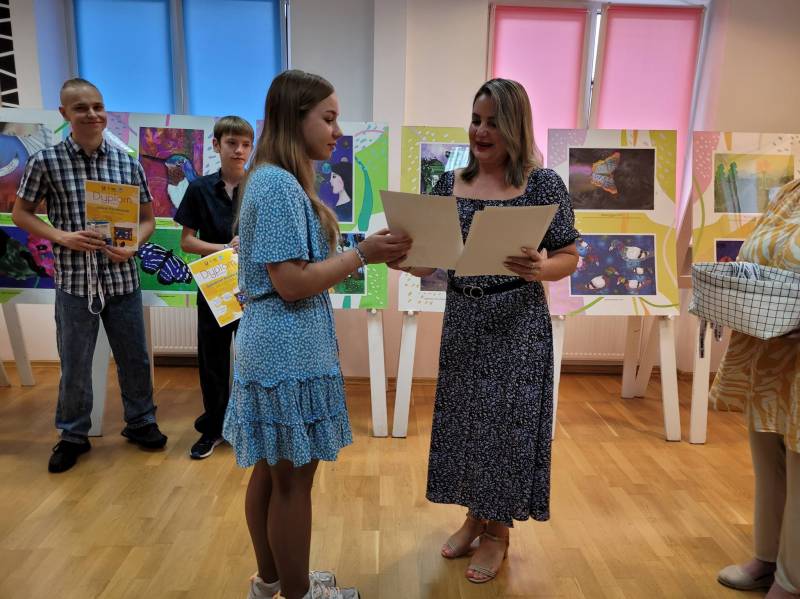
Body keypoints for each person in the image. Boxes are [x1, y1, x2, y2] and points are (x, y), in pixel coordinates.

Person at [222, 70, 410, 599]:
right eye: (328, 118)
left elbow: (298, 268)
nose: (337, 130)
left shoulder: (272, 180)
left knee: (273, 473)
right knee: (291, 482)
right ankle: (299, 593)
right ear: (294, 118)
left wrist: (368, 252)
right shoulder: (278, 185)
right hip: (285, 349)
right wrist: (363, 254)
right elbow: (291, 282)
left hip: (277, 345)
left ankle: (273, 581)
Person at [391, 78, 579, 584]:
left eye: (493, 122)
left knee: (505, 430)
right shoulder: (447, 183)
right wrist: (402, 258)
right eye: (476, 119)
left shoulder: (543, 185)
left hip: (518, 322)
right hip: (464, 318)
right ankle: (475, 517)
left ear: (515, 126)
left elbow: (569, 255)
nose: (480, 130)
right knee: (467, 423)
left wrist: (542, 267)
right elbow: (427, 260)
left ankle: (498, 533)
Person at [11, 78, 167, 473]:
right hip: (75, 282)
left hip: (122, 279)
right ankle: (73, 434)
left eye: (98, 106)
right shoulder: (45, 161)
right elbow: (21, 213)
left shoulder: (126, 162)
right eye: (81, 108)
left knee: (134, 357)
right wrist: (61, 236)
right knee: (75, 362)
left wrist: (134, 245)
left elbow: (147, 220)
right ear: (64, 113)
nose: (92, 114)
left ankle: (141, 422)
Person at [712, 179, 800, 599]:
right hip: (774, 349)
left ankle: (792, 580)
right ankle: (767, 557)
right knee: (768, 454)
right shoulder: (792, 191)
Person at [173, 115, 254, 460]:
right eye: (232, 143)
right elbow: (187, 242)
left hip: (254, 288)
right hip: (214, 286)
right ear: (216, 145)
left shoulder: (259, 187)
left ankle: (249, 426)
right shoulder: (199, 189)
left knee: (252, 360)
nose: (239, 150)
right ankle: (215, 429)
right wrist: (225, 248)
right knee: (213, 361)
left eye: (246, 144)